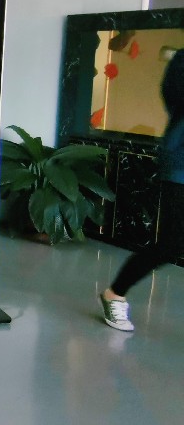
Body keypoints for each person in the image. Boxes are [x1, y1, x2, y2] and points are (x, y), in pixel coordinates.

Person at [99, 47, 184, 332]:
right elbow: (174, 97)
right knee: (171, 245)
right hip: (180, 169)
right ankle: (115, 293)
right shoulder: (182, 62)